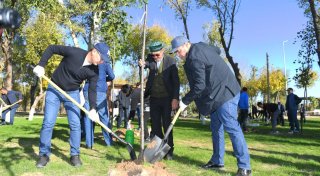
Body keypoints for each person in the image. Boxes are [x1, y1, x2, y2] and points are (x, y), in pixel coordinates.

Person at [171, 36, 251, 176]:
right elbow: (217, 51)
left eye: (178, 51)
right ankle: (217, 161)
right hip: (216, 95)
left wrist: (185, 101)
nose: (178, 55)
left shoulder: (194, 58)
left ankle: (245, 167)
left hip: (225, 93)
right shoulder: (201, 46)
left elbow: (199, 86)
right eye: (176, 53)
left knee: (232, 127)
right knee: (216, 128)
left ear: (186, 44)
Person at [33, 42, 109, 168]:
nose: (102, 62)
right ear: (94, 51)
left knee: (75, 124)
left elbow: (92, 90)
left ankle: (75, 155)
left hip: (72, 93)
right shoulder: (75, 52)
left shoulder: (95, 71)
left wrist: (93, 109)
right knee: (48, 122)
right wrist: (41, 65)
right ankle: (44, 155)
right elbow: (51, 48)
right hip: (54, 88)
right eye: (102, 59)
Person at [139, 41, 180, 160]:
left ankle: (169, 150)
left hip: (167, 98)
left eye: (157, 55)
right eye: (153, 55)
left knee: (167, 125)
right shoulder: (151, 59)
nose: (155, 57)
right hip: (154, 98)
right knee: (156, 126)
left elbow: (176, 82)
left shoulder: (170, 61)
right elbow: (147, 64)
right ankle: (158, 148)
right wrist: (142, 64)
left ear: (163, 51)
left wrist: (175, 98)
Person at [82, 54, 115, 149]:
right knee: (103, 117)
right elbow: (112, 76)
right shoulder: (105, 62)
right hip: (100, 91)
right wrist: (104, 79)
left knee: (88, 116)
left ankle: (89, 144)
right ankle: (109, 142)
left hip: (87, 90)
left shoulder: (90, 61)